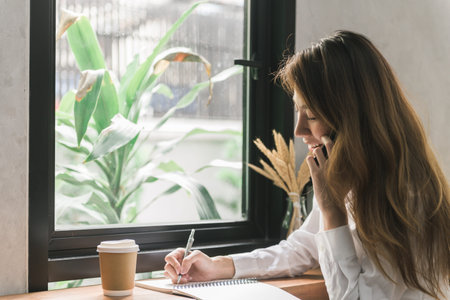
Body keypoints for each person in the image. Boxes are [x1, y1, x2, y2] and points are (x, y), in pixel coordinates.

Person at [164, 30, 450, 299]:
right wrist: (219, 265)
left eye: (310, 114)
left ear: (351, 118)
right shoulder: (349, 175)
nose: (299, 130)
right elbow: (304, 247)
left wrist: (331, 210)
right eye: (298, 110)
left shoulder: (405, 196)